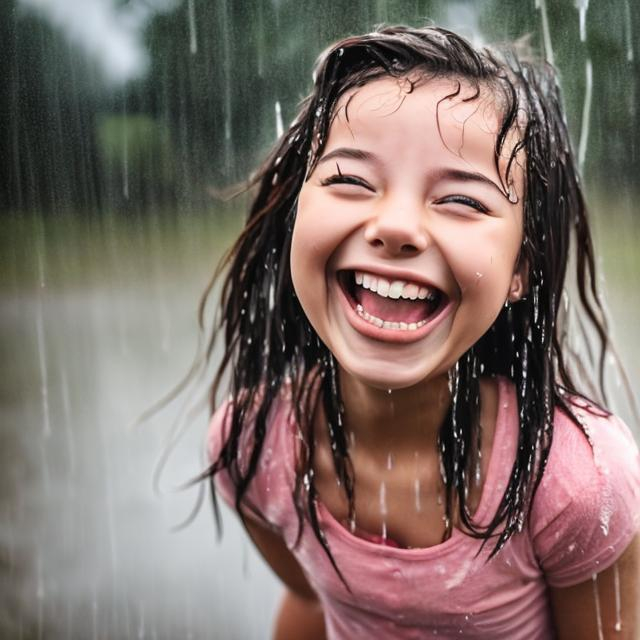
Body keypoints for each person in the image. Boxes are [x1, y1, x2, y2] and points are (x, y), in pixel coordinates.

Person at [204, 25, 640, 639]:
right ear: (296, 212)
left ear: (520, 268)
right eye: (351, 181)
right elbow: (310, 609)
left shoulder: (574, 483)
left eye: (461, 200)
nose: (397, 226)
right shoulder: (253, 446)